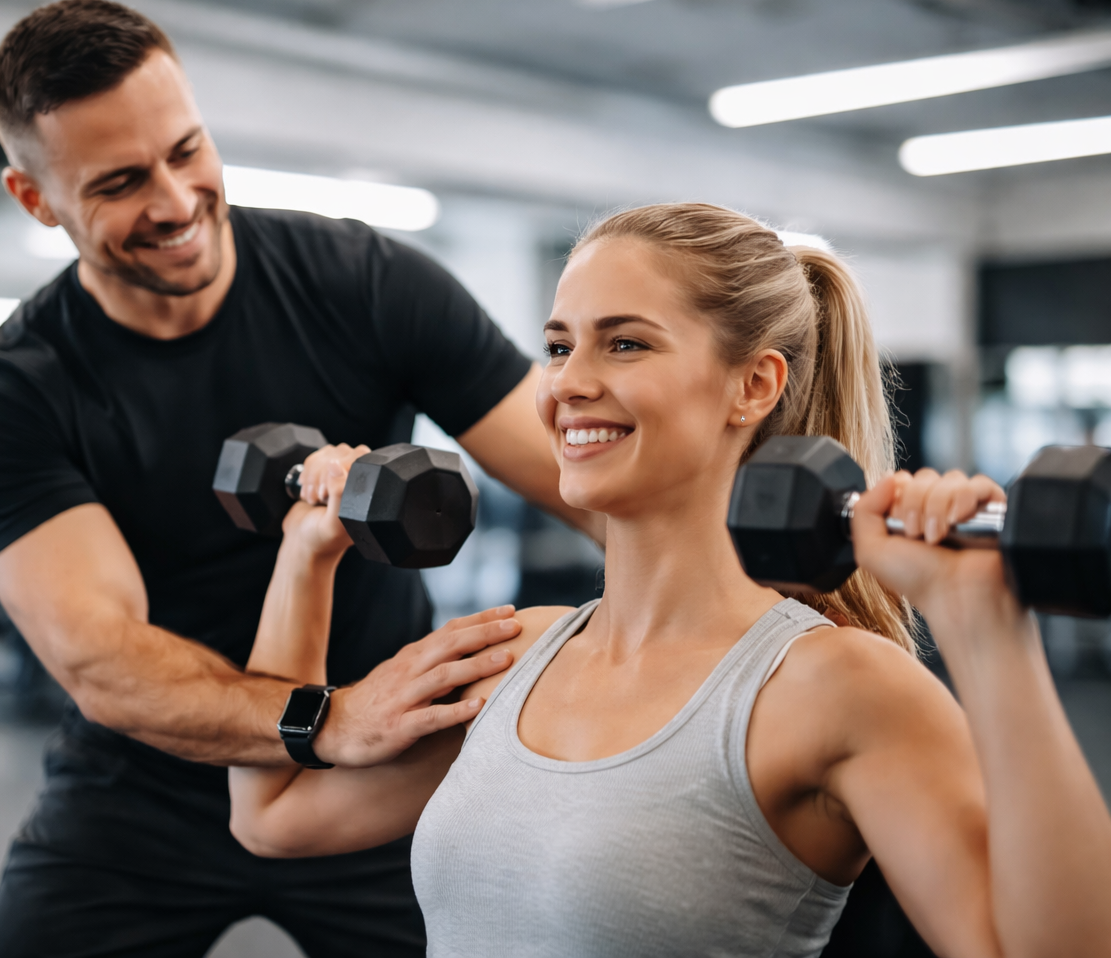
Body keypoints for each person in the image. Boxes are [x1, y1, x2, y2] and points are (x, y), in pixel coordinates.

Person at [229, 202, 1111, 958]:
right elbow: (272, 811)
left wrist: (983, 625)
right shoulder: (515, 655)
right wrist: (307, 556)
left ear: (753, 385)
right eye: (558, 345)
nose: (567, 385)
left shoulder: (836, 688)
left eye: (624, 343)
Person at [0, 0, 602, 957]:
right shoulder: (15, 395)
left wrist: (758, 619)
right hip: (148, 791)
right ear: (36, 199)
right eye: (121, 181)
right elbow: (104, 657)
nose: (174, 201)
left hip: (381, 768)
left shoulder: (367, 284)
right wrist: (323, 719)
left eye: (186, 149)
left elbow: (586, 487)